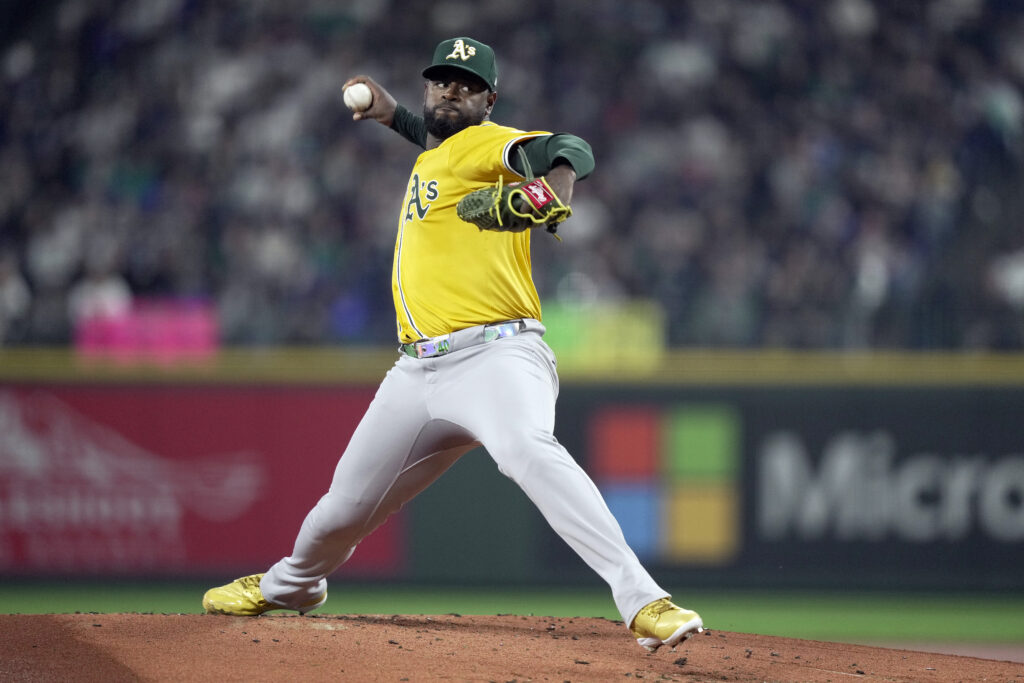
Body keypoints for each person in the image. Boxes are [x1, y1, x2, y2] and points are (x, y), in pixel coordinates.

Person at [203, 36, 704, 652]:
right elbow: (437, 138)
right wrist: (390, 115)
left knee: (526, 449)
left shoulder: (493, 144)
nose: (450, 90)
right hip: (415, 373)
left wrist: (549, 192)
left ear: (489, 99)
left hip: (498, 356)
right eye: (442, 80)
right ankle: (295, 584)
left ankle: (643, 598)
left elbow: (570, 148)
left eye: (466, 85)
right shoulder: (442, 152)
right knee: (343, 507)